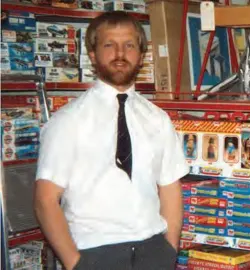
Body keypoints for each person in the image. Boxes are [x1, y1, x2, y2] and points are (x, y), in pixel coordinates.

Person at [33, 11, 189, 270]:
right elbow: (45, 200)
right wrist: (75, 263)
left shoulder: (157, 119)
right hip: (94, 253)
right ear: (92, 55)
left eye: (129, 45)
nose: (120, 53)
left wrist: (168, 249)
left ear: (141, 55)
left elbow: (170, 187)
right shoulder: (68, 122)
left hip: (152, 252)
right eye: (109, 45)